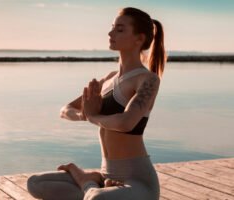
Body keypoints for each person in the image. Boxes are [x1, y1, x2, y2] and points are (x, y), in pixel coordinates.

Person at [27, 7, 166, 200]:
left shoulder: (147, 80)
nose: (110, 33)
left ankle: (86, 181)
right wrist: (82, 115)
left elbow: (127, 122)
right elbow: (65, 109)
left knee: (96, 199)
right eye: (112, 28)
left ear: (139, 39)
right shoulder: (108, 80)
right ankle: (95, 183)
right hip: (106, 174)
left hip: (138, 181)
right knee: (35, 183)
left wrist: (93, 116)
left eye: (120, 29)